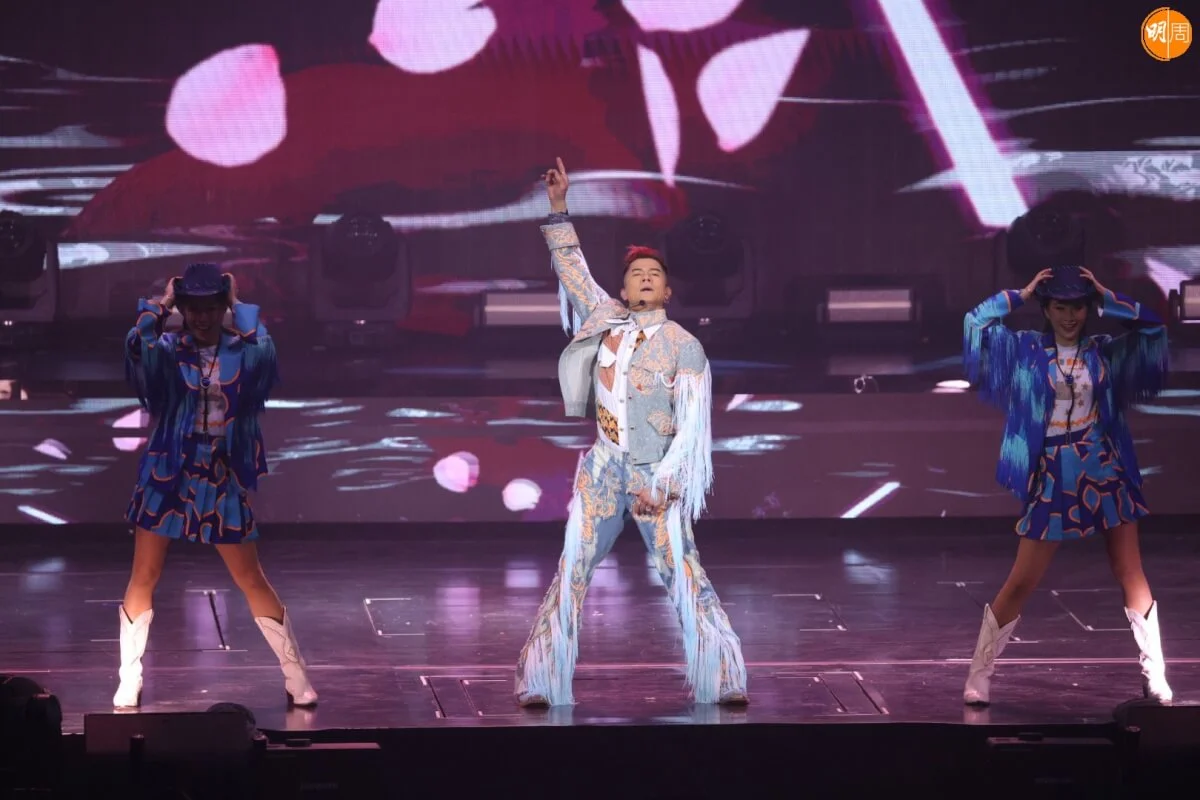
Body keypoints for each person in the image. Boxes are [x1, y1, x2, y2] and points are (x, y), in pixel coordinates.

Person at [514, 158, 748, 708]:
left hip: (654, 474)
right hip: (603, 469)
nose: (645, 278)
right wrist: (558, 209)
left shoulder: (684, 346)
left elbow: (692, 429)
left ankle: (723, 674)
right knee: (571, 570)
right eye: (637, 273)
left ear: (667, 292)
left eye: (654, 274)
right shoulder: (605, 320)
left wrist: (664, 483)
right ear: (622, 289)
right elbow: (573, 270)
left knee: (683, 573)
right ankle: (541, 677)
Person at [961, 265, 1172, 706]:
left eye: (1078, 307)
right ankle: (980, 672)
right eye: (1060, 307)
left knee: (1130, 571)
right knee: (1022, 579)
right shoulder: (1025, 350)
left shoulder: (1103, 352)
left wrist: (1107, 294)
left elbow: (1153, 328)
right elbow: (975, 322)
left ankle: (1155, 673)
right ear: (1047, 309)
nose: (1070, 316)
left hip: (1104, 467)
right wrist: (1020, 294)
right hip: (1053, 471)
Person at [116, 262, 318, 709]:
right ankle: (129, 676)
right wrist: (163, 303)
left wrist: (236, 300)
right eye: (193, 308)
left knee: (251, 577)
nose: (202, 317)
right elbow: (136, 344)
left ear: (221, 305)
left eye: (210, 307)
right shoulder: (169, 349)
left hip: (220, 473)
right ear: (183, 308)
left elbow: (264, 348)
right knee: (144, 575)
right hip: (169, 470)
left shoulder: (242, 350)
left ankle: (295, 674)